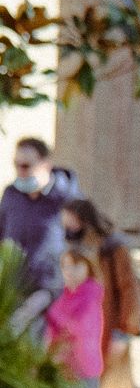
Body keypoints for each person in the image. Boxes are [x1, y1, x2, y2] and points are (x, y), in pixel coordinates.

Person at [62, 199, 140, 388]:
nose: (67, 226)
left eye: (70, 220)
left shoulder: (114, 249)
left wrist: (124, 333)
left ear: (83, 218)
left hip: (113, 335)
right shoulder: (81, 248)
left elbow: (130, 291)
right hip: (89, 338)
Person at [0, 137, 77, 326]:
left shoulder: (66, 198)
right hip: (13, 289)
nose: (20, 171)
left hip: (49, 293)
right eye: (16, 165)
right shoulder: (11, 195)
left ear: (46, 165)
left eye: (25, 166)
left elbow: (83, 245)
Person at [45, 246, 105, 388]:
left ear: (88, 268)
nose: (70, 271)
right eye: (65, 266)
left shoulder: (90, 294)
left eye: (76, 266)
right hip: (64, 364)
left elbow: (78, 327)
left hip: (84, 365)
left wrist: (54, 312)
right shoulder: (64, 294)